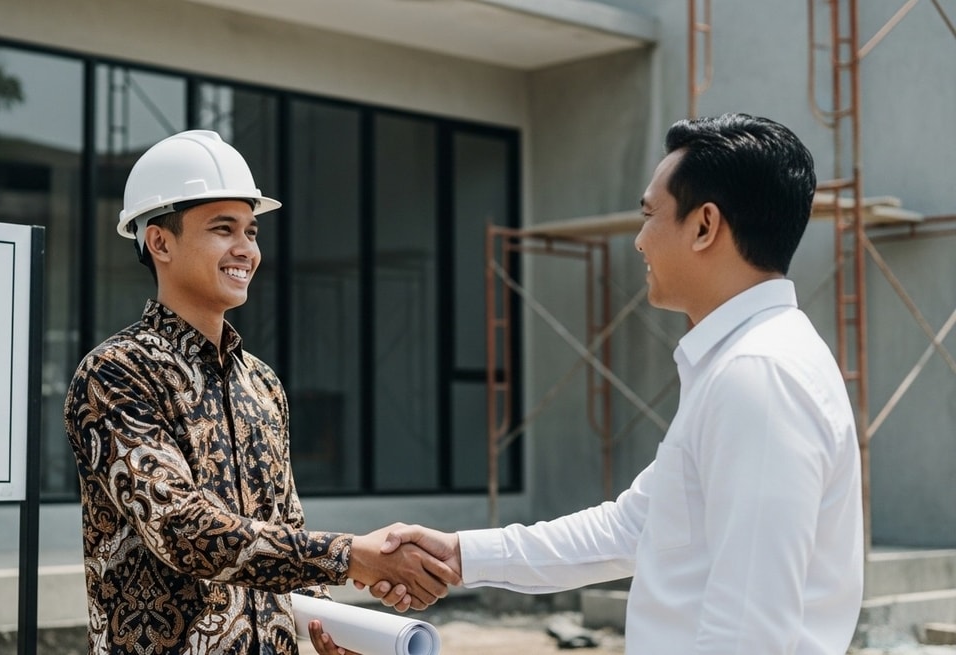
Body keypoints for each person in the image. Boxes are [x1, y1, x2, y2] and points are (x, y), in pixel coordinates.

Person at [347, 113, 864, 655]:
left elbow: (749, 631)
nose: (640, 241)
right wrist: (458, 554)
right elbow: (628, 528)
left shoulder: (758, 375)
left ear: (705, 226)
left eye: (650, 215)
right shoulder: (744, 364)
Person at [64, 129, 458, 655]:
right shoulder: (115, 374)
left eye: (251, 232)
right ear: (159, 241)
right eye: (223, 229)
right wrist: (354, 556)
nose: (245, 249)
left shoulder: (262, 383)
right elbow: (183, 531)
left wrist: (328, 624)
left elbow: (285, 528)